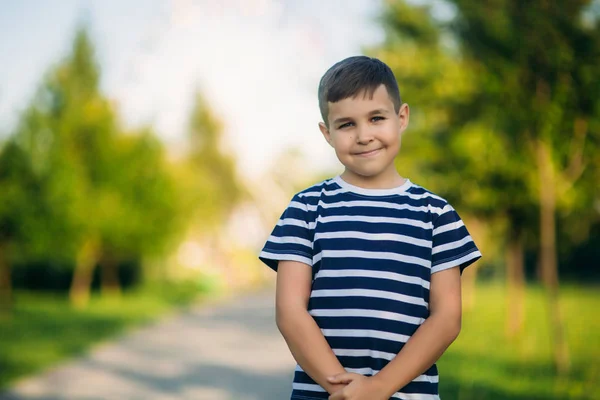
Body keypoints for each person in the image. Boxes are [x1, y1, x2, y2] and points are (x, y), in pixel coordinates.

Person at [258, 55, 481, 400]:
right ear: (327, 133)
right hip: (325, 394)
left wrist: (378, 388)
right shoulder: (306, 208)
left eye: (376, 118)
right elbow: (290, 313)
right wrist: (344, 389)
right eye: (346, 124)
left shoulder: (436, 214)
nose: (364, 136)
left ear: (401, 117)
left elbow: (446, 319)